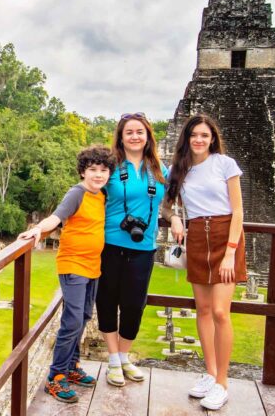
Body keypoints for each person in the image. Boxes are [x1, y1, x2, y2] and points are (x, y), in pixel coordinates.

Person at [18, 145, 115, 404]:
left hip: (93, 265)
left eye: (103, 170)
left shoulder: (102, 195)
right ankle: (56, 376)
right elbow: (57, 217)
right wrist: (38, 230)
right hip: (73, 265)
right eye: (93, 170)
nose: (98, 174)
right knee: (72, 321)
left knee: (83, 317)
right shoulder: (77, 193)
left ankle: (71, 366)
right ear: (83, 172)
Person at [165, 114, 247, 411]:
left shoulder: (225, 164)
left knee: (220, 312)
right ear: (187, 138)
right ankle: (211, 373)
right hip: (197, 236)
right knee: (201, 309)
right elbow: (166, 203)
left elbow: (238, 211)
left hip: (226, 236)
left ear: (213, 139)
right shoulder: (180, 169)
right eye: (194, 135)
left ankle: (223, 382)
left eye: (205, 135)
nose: (199, 140)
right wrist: (174, 217)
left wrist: (230, 252)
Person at [97, 113, 183, 387]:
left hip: (144, 247)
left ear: (148, 136)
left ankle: (124, 357)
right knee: (108, 302)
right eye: (129, 132)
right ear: (121, 138)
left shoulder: (160, 170)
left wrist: (176, 218)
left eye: (140, 132)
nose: (134, 136)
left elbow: (168, 205)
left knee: (134, 305)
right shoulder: (110, 167)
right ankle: (113, 360)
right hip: (110, 244)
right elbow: (88, 194)